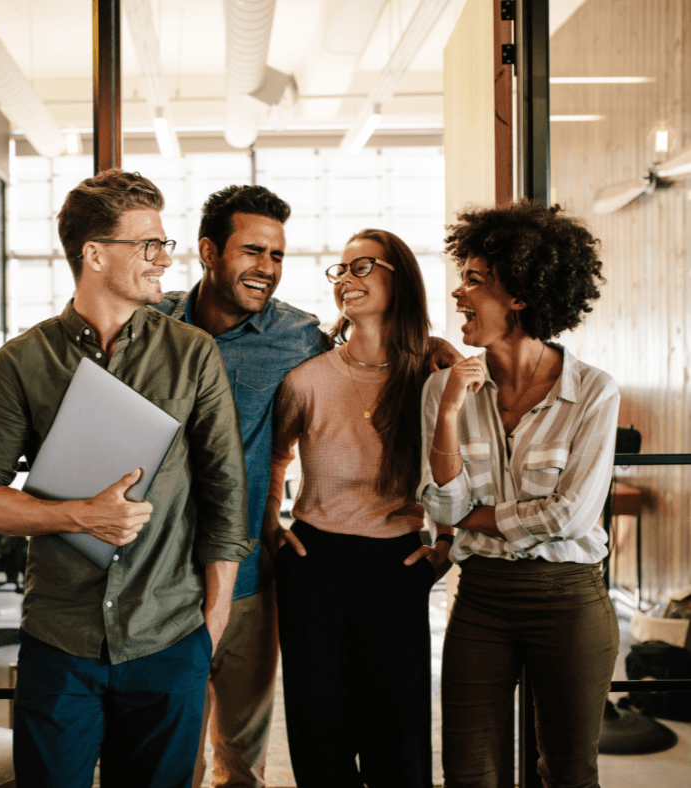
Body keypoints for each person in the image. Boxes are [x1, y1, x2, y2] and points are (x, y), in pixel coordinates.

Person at [0, 169, 252, 788]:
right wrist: (77, 515)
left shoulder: (193, 353)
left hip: (170, 633)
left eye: (164, 244)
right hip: (60, 637)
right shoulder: (23, 362)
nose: (164, 259)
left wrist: (214, 618)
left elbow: (226, 495)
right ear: (94, 254)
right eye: (149, 245)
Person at [419, 201, 619, 788]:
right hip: (480, 598)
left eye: (475, 280)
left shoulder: (593, 392)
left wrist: (473, 516)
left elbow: (572, 516)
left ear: (522, 295)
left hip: (570, 599)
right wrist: (450, 411)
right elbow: (441, 507)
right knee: (469, 772)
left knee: (568, 771)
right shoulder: (443, 389)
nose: (458, 293)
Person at [263, 229, 453, 788]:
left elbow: (459, 465)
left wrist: (446, 541)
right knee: (319, 737)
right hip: (314, 563)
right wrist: (271, 521)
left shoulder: (432, 375)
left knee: (400, 740)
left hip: (397, 565)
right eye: (340, 270)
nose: (346, 278)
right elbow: (275, 455)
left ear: (401, 278)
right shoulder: (307, 379)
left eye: (362, 266)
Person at [153, 185, 329, 788]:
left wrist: (431, 348)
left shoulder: (298, 338)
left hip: (251, 574)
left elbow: (372, 361)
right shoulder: (149, 324)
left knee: (241, 764)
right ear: (208, 251)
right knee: (170, 760)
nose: (267, 268)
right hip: (159, 580)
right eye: (253, 251)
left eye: (277, 255)